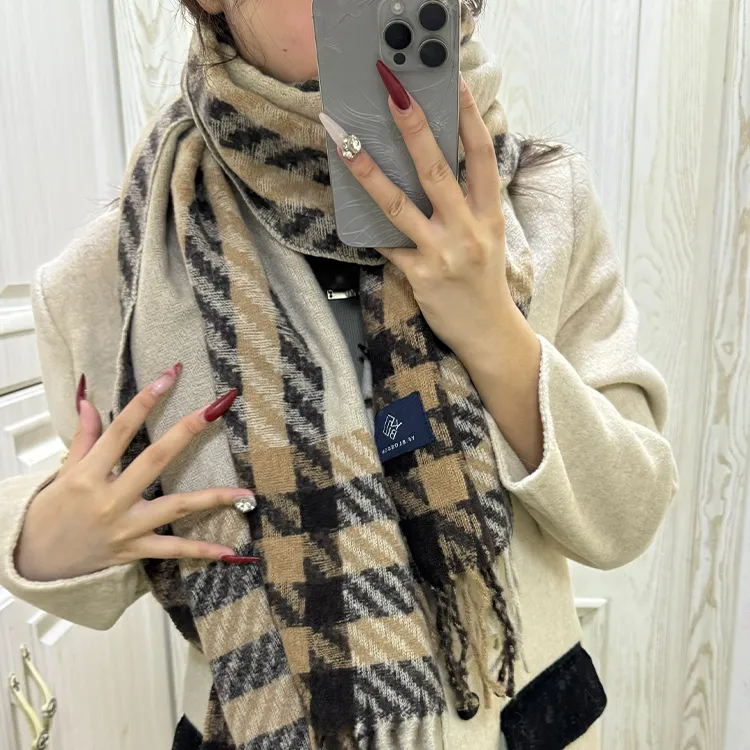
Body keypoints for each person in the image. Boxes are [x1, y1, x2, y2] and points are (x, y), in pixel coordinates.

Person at [0, 1, 678, 748]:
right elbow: (128, 538)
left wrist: (495, 331)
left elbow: (627, 517)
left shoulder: (542, 203)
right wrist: (41, 546)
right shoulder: (113, 283)